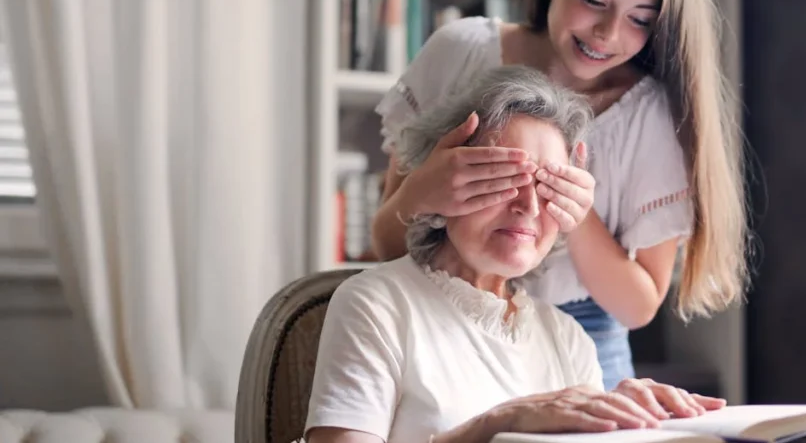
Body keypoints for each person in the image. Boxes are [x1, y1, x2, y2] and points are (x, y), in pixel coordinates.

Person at [370, 0, 749, 391]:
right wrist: (422, 192)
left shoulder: (651, 117)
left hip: (586, 338)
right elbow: (387, 246)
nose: (608, 33)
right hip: (445, 318)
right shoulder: (461, 52)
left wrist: (574, 211)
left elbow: (637, 307)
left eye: (640, 19)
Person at [305, 66, 725, 443]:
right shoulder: (375, 305)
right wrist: (494, 426)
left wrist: (645, 427)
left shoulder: (568, 339)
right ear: (448, 181)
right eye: (503, 178)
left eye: (549, 186)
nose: (529, 205)